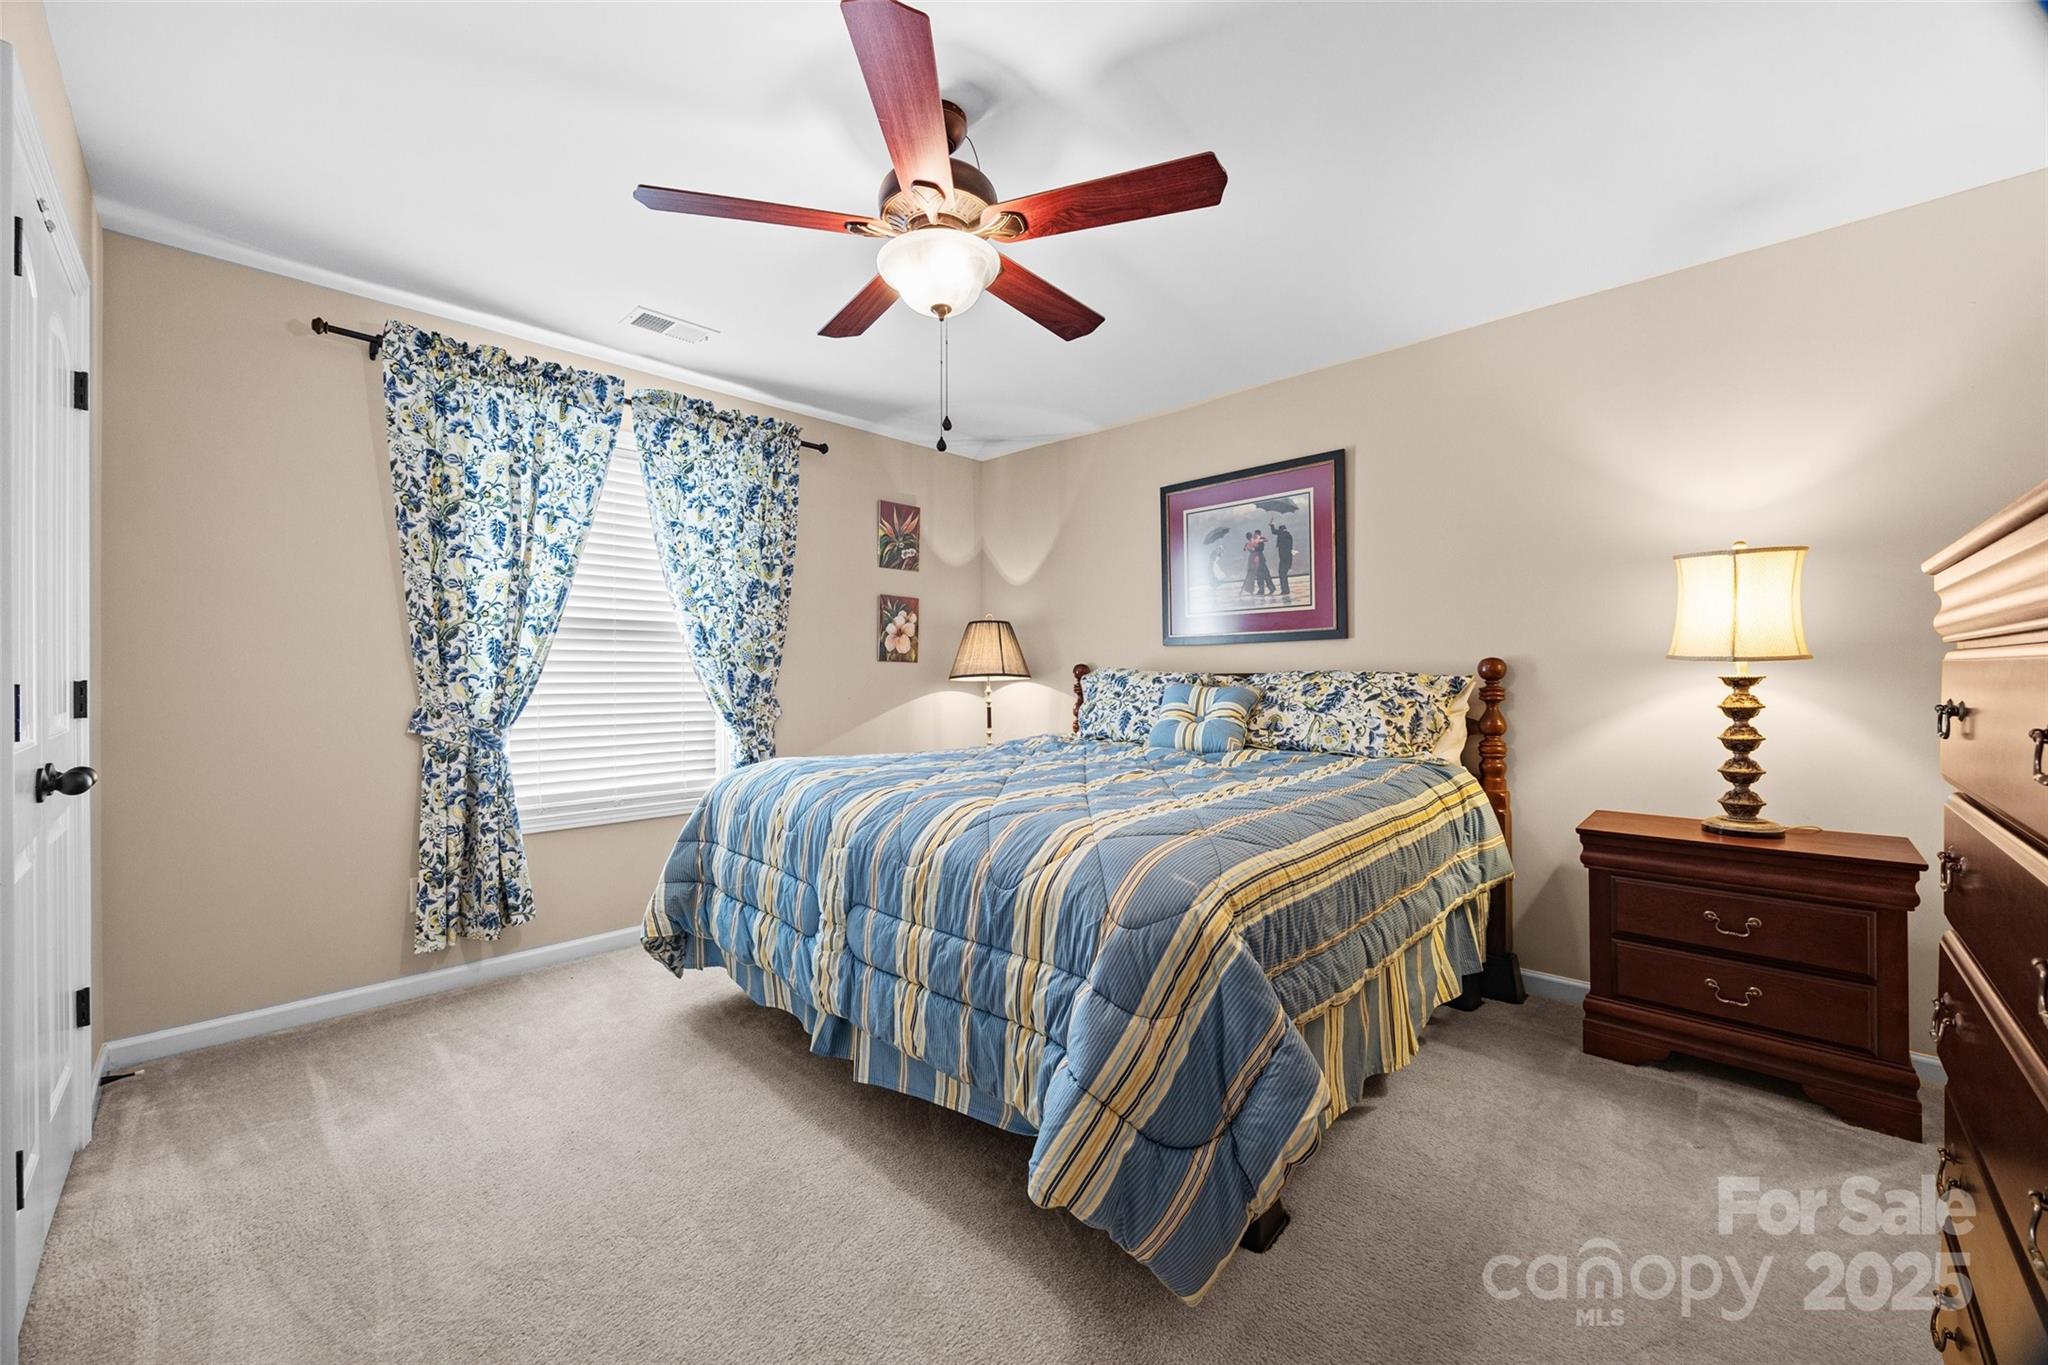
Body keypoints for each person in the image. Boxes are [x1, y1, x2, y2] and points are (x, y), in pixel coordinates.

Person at [1270, 520, 1295, 599]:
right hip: (1288, 558)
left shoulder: (1282, 534)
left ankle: (1285, 590)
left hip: (1283, 559)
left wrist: (1271, 524)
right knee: (1284, 574)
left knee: (1282, 574)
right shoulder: (1288, 535)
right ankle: (1286, 590)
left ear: (1281, 530)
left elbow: (1274, 532)